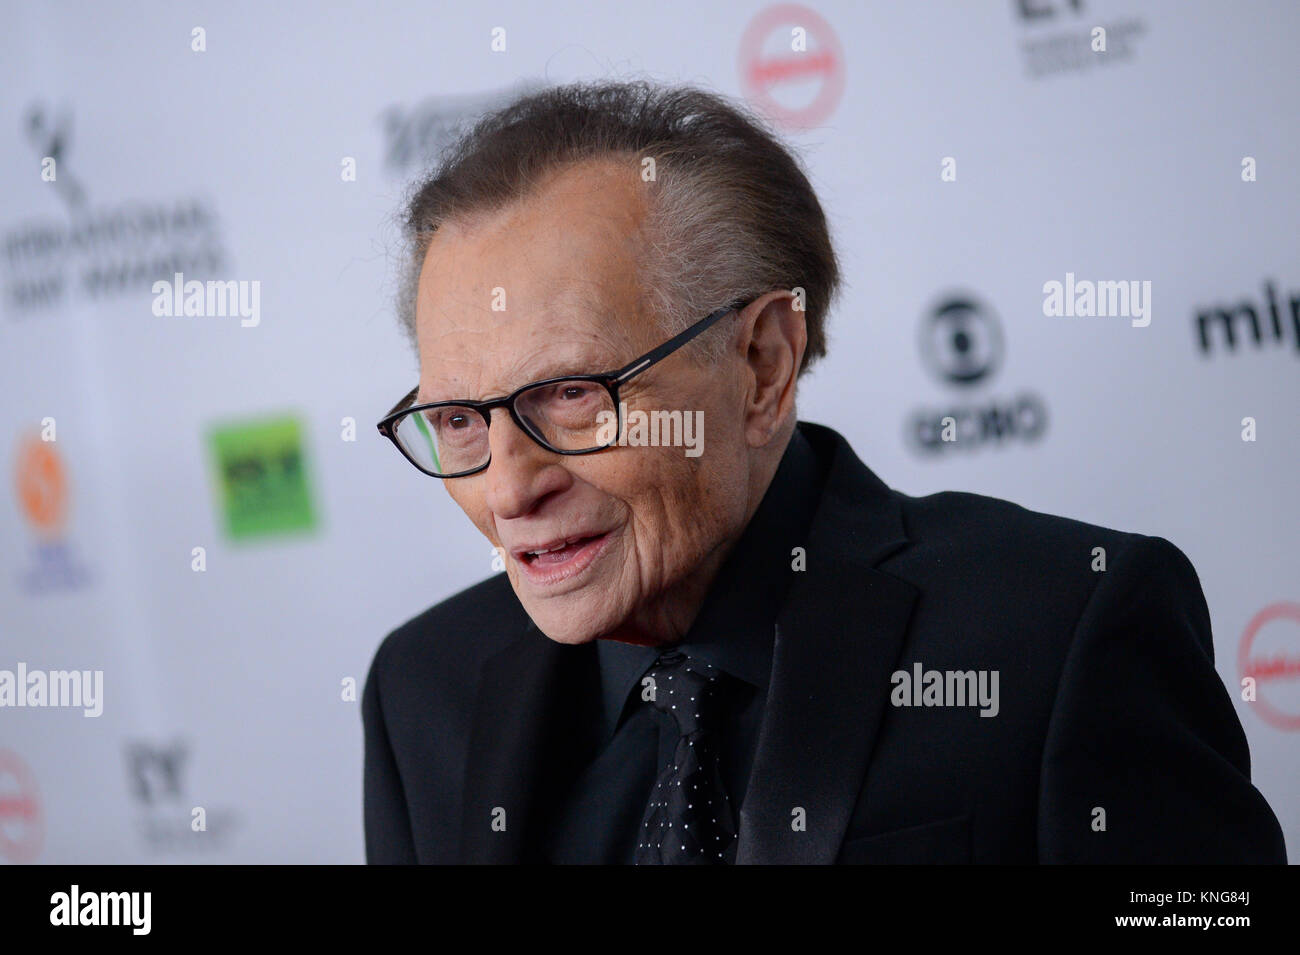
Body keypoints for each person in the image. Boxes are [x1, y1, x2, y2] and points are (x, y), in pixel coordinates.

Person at [362, 80, 1285, 864]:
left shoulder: (1063, 628)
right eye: (455, 418)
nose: (510, 488)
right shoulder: (423, 689)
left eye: (570, 394)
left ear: (764, 363)